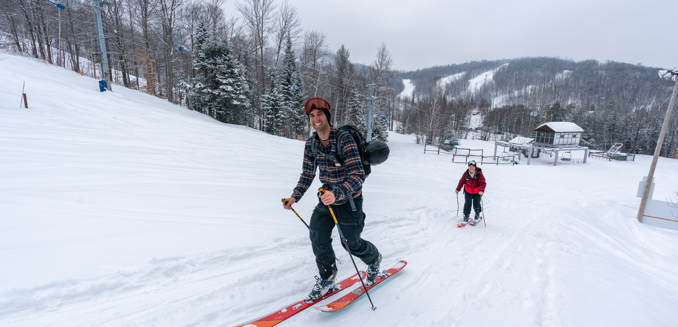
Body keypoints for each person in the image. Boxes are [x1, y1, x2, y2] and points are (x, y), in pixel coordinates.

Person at [283, 97, 382, 302]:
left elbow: (357, 176)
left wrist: (337, 193)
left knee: (351, 244)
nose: (315, 119)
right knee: (317, 235)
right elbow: (307, 174)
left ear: (327, 116)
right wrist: (295, 196)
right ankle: (327, 277)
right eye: (311, 115)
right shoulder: (311, 143)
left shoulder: (344, 139)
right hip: (326, 200)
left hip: (349, 201)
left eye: (319, 114)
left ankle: (374, 260)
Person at [455, 160, 486, 224]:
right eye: (470, 166)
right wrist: (458, 189)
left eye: (473, 166)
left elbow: (482, 183)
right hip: (468, 191)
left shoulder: (479, 174)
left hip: (477, 192)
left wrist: (481, 190)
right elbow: (461, 182)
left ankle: (477, 215)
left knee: (476, 203)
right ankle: (466, 216)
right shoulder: (466, 174)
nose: (471, 168)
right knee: (467, 203)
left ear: (475, 167)